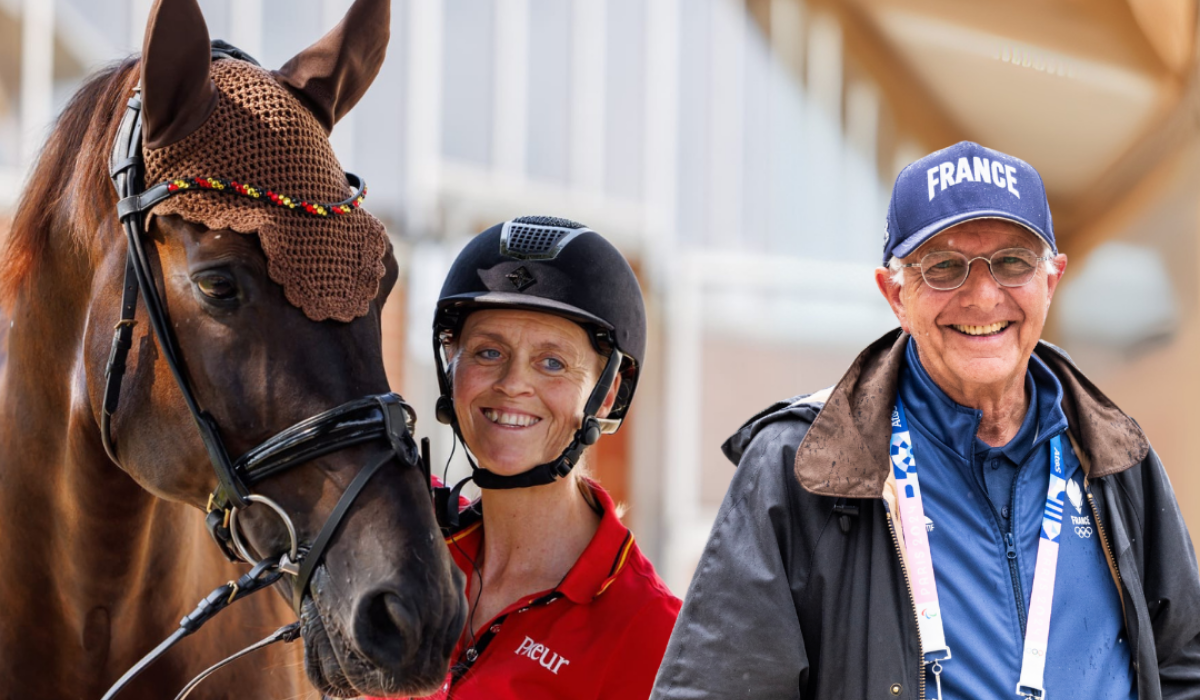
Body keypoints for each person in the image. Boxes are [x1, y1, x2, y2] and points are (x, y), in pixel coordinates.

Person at [650, 142, 1200, 700]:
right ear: (895, 295)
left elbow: (1185, 665)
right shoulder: (804, 462)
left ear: (1051, 281)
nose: (984, 297)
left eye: (1012, 262)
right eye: (944, 267)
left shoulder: (1115, 454)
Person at [381, 216, 680, 700]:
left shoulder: (654, 636)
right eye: (487, 353)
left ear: (605, 396)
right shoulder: (392, 543)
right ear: (450, 366)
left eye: (552, 362)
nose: (513, 383)